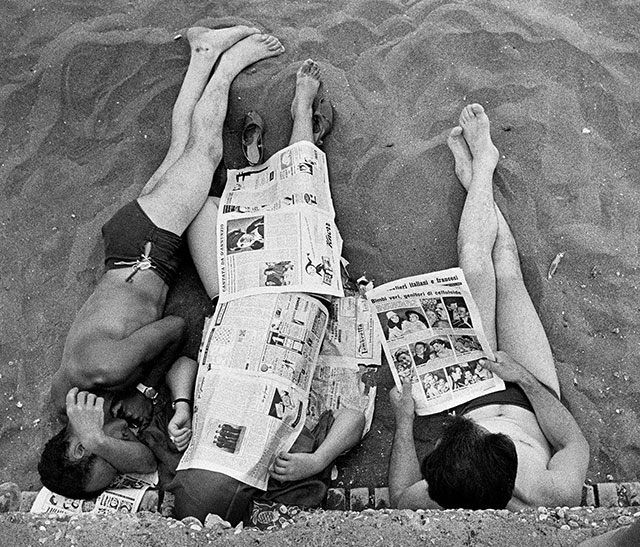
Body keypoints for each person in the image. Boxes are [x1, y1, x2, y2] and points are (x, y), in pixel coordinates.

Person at [37, 27, 286, 500]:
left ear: (79, 443)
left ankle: (227, 65)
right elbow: (144, 459)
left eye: (109, 449)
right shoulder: (67, 400)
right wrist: (100, 434)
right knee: (181, 148)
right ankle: (202, 52)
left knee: (205, 151)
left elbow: (172, 328)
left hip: (149, 247)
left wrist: (146, 392)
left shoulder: (107, 373)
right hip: (132, 249)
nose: (124, 442)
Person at [167, 59, 365, 525]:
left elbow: (183, 365)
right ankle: (301, 116)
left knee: (204, 210)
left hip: (231, 302)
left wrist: (182, 407)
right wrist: (318, 460)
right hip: (301, 295)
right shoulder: (283, 473)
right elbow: (353, 415)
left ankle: (255, 167)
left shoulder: (189, 445)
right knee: (300, 209)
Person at [389, 104, 589, 511]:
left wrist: (405, 419)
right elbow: (572, 441)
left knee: (474, 263)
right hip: (532, 393)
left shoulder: (444, 491)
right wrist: (524, 380)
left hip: (469, 386)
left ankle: (478, 176)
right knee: (506, 269)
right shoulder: (551, 491)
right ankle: (482, 170)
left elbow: (398, 495)